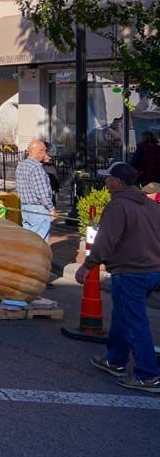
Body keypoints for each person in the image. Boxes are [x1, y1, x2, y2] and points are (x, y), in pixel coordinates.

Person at [78, 162, 160, 393]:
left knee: (135, 323)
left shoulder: (118, 206)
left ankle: (148, 375)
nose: (106, 182)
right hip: (151, 270)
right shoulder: (151, 205)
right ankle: (115, 360)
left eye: (109, 178)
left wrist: (87, 265)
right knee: (122, 317)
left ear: (119, 182)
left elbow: (105, 241)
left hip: (131, 271)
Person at [15, 139, 57, 240]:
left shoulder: (21, 165)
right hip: (38, 209)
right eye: (44, 151)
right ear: (39, 151)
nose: (45, 153)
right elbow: (42, 194)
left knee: (29, 240)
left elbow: (18, 187)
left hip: (25, 207)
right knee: (40, 242)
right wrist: (51, 209)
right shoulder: (36, 168)